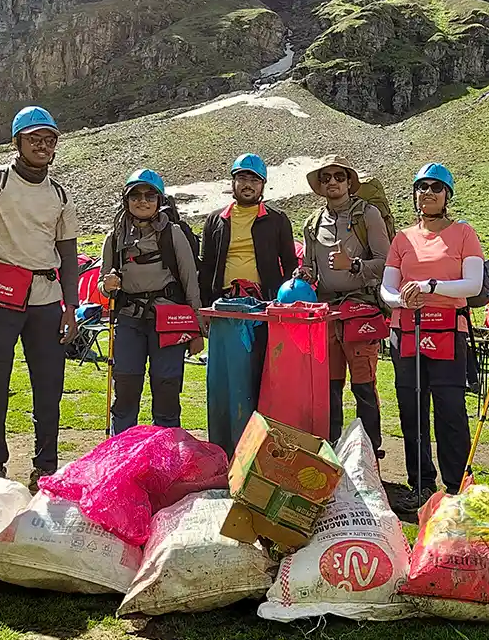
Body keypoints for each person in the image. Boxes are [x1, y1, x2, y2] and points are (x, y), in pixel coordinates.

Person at [0, 106, 81, 494]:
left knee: (49, 385)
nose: (42, 146)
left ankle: (45, 467)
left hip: (46, 299)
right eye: (34, 139)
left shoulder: (60, 194)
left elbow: (69, 256)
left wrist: (72, 308)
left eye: (49, 139)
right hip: (1, 295)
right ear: (17, 142)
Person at [381, 164, 484, 507]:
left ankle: (457, 488)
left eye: (436, 187)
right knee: (412, 409)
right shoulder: (402, 239)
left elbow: (473, 284)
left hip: (448, 330)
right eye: (422, 187)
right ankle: (421, 485)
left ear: (447, 195)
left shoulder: (464, 234)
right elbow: (387, 287)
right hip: (406, 329)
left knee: (450, 409)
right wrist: (403, 300)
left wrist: (430, 286)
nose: (427, 192)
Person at [295, 155, 390, 457]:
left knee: (363, 386)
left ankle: (369, 453)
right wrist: (304, 274)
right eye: (326, 178)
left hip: (361, 310)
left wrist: (355, 265)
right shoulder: (312, 223)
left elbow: (387, 262)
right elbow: (310, 266)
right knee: (329, 388)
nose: (332, 182)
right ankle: (332, 453)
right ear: (320, 185)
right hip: (327, 315)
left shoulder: (368, 215)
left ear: (350, 182)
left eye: (339, 176)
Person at [99, 169, 203, 433]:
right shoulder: (114, 238)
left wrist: (197, 330)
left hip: (169, 321)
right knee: (125, 388)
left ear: (159, 200)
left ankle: (166, 449)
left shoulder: (173, 233)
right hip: (129, 320)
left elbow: (190, 282)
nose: (143, 201)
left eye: (149, 196)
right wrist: (106, 286)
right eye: (136, 196)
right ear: (126, 200)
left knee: (167, 389)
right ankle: (121, 450)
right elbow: (103, 284)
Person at [199, 153, 298, 303]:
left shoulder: (277, 219)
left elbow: (290, 263)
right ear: (233, 182)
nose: (248, 185)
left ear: (262, 185)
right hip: (223, 301)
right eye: (242, 178)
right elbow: (206, 267)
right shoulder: (215, 219)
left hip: (265, 301)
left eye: (254, 180)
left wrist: (283, 302)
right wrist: (205, 304)